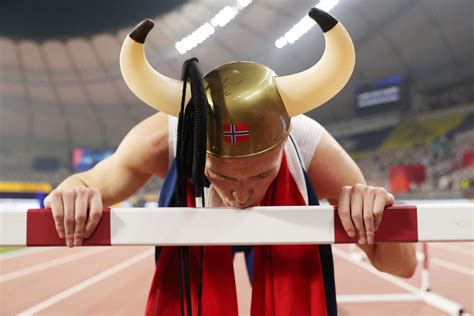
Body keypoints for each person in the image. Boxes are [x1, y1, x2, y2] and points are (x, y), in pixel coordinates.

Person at [44, 7, 417, 316]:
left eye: (259, 174)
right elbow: (87, 182)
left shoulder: (308, 142)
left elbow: (402, 265)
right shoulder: (163, 137)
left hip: (278, 241)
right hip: (199, 244)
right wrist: (72, 192)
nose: (241, 195)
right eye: (219, 176)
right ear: (195, 145)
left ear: (285, 138)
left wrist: (374, 213)